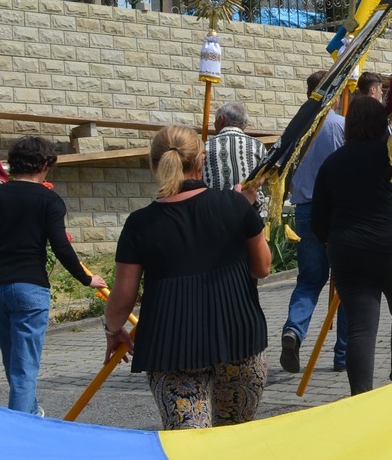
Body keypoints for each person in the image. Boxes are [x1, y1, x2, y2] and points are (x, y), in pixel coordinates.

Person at [105, 126, 272, 430]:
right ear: (202, 159)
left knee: (190, 447)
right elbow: (262, 267)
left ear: (154, 165)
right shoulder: (235, 205)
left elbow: (123, 296)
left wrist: (113, 329)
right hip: (239, 340)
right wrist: (242, 209)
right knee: (233, 438)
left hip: (171, 348)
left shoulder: (139, 224)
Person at [310, 94, 392, 395]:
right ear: (383, 123)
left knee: (361, 327)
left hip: (349, 252)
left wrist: (336, 241)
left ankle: (361, 396)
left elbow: (318, 220)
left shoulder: (332, 163)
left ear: (349, 126)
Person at [0, 135, 108, 415]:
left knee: (14, 360)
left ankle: (32, 411)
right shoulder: (49, 199)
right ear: (45, 165)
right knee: (24, 367)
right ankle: (22, 429)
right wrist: (87, 279)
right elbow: (61, 246)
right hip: (28, 286)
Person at [281, 70, 348, 375]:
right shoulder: (340, 125)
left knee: (309, 279)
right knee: (346, 282)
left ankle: (293, 330)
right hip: (337, 209)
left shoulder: (297, 125)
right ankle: (344, 354)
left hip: (306, 209)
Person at [203, 101, 269, 216]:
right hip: (251, 210)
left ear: (221, 119)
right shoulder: (258, 146)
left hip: (215, 212)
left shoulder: (205, 146)